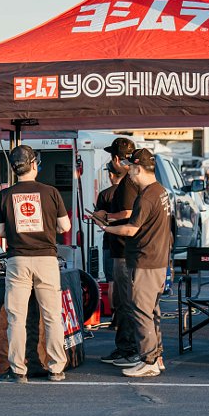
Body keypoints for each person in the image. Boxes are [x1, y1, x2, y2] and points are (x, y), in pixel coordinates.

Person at [0, 145, 70, 384]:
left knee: (16, 318)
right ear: (34, 164)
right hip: (46, 259)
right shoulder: (51, 192)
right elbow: (65, 226)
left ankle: (18, 370)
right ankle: (56, 368)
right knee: (52, 316)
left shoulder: (5, 195)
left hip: (17, 260)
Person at [94, 149, 172, 378]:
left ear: (138, 169)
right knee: (152, 311)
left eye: (130, 168)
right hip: (157, 260)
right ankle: (155, 357)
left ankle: (149, 360)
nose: (128, 172)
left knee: (141, 311)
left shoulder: (146, 196)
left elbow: (131, 229)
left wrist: (105, 227)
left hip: (145, 261)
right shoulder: (161, 191)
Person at [90, 137, 139, 366]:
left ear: (117, 160)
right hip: (126, 250)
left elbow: (128, 213)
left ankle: (129, 349)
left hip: (124, 251)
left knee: (126, 303)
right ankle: (129, 349)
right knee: (124, 302)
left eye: (112, 158)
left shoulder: (128, 184)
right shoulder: (135, 182)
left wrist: (106, 217)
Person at [94, 161, 123, 283]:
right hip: (128, 244)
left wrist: (103, 223)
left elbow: (97, 219)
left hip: (110, 243)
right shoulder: (132, 193)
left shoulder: (104, 194)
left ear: (111, 175)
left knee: (111, 282)